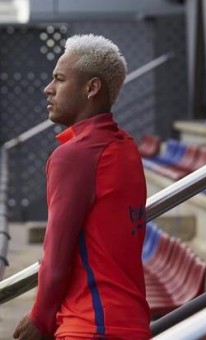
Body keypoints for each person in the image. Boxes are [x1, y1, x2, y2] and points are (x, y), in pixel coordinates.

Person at [13, 34, 150, 339]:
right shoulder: (126, 147)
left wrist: (40, 318)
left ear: (92, 88)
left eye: (59, 79)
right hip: (131, 321)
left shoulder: (74, 156)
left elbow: (56, 255)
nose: (48, 89)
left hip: (90, 325)